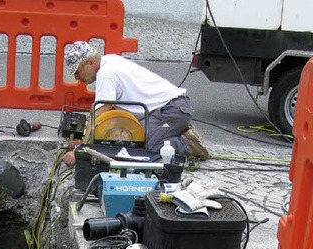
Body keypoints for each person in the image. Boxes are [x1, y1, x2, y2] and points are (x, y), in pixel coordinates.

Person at [62, 41, 209, 166]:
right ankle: (173, 131)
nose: (77, 78)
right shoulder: (109, 60)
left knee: (142, 150)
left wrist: (80, 151)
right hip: (168, 109)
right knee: (130, 141)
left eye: (77, 72)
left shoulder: (106, 75)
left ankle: (185, 144)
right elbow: (108, 116)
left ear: (90, 63)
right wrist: (83, 143)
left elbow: (98, 116)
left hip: (172, 111)